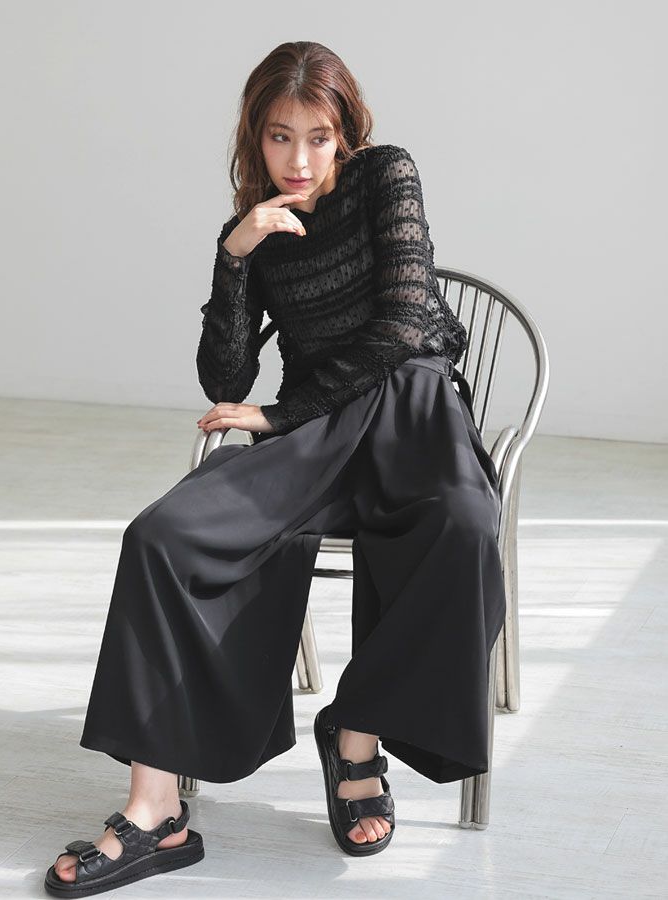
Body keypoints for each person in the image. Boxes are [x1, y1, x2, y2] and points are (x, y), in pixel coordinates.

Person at [44, 40, 506, 896]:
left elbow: (404, 323)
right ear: (254, 137)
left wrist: (275, 415)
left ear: (345, 133)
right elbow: (223, 378)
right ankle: (156, 810)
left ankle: (356, 735)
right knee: (162, 535)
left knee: (466, 526)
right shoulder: (257, 223)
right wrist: (235, 254)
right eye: (279, 137)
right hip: (318, 433)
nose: (299, 160)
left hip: (411, 408)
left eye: (318, 138)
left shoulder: (387, 176)